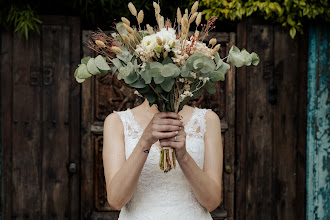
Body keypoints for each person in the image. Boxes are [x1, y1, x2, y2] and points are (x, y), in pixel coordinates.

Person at [103, 98, 223, 219]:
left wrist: (183, 156)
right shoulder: (116, 122)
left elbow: (212, 202)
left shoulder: (208, 119)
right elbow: (116, 200)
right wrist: (145, 142)